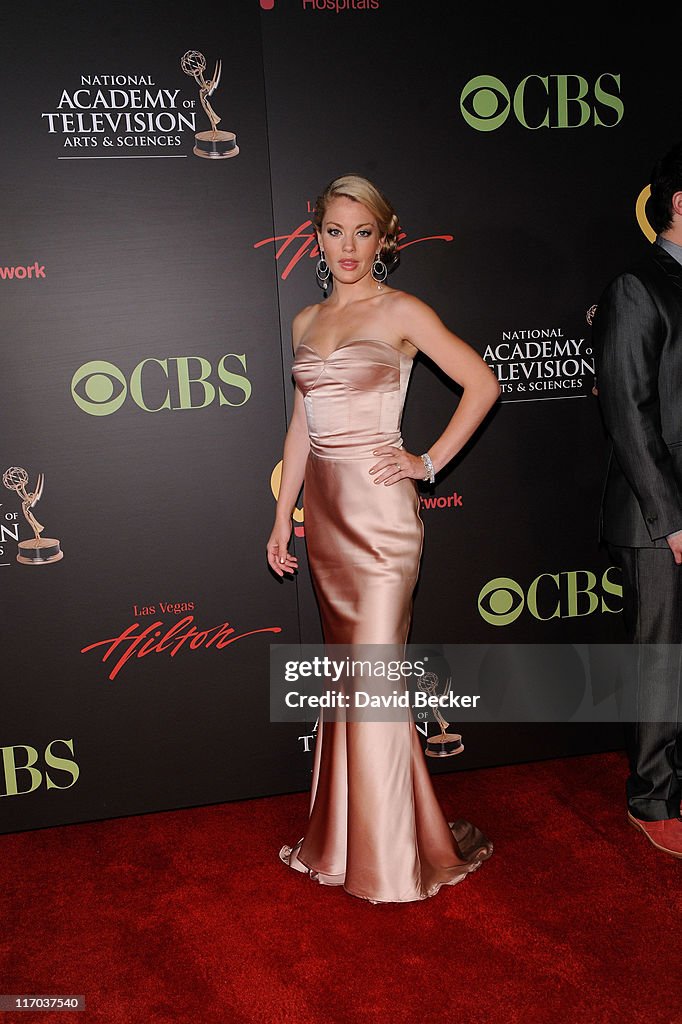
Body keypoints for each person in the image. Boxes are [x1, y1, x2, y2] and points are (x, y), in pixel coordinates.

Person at [267, 174, 500, 902]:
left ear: (384, 239)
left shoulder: (402, 311)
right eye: (335, 230)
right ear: (317, 236)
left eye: (362, 232)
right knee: (353, 678)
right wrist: (283, 514)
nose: (347, 246)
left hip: (382, 515)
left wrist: (426, 462)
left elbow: (482, 382)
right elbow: (302, 424)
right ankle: (344, 837)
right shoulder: (305, 322)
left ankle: (390, 860)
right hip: (327, 523)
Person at [593, 140, 682, 859]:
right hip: (659, 516)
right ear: (680, 203)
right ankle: (653, 799)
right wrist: (672, 519)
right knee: (661, 657)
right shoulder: (637, 286)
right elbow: (628, 410)